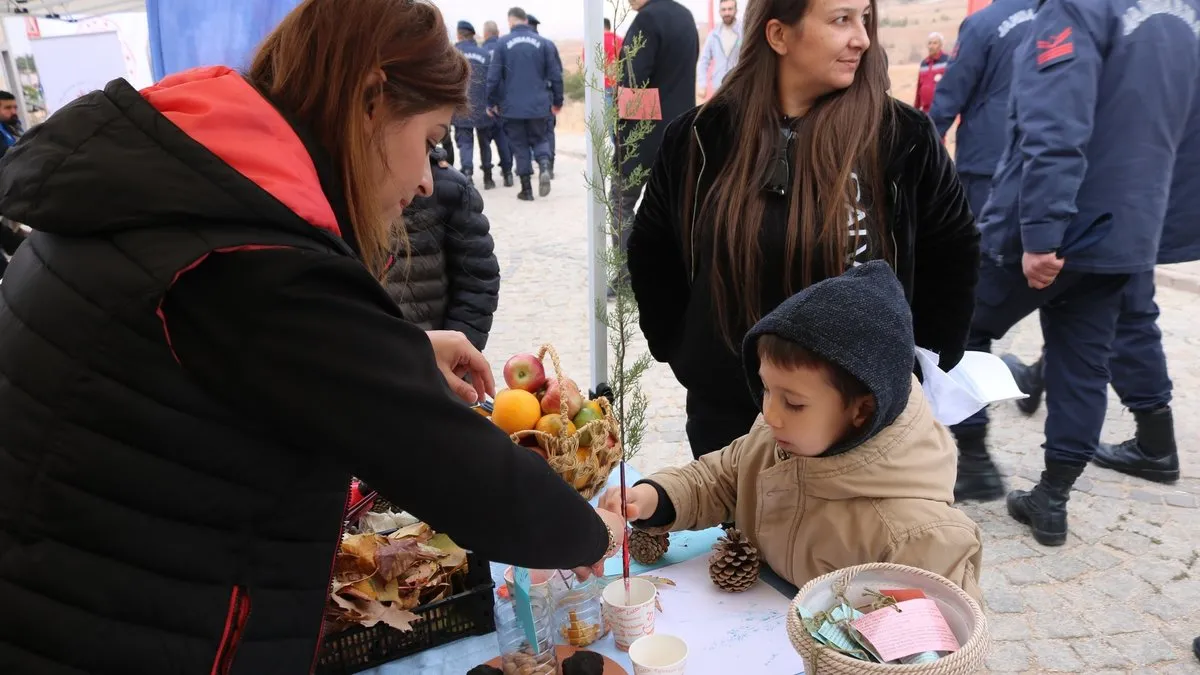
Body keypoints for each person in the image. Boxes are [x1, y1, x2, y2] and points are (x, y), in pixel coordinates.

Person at [0, 1, 624, 672]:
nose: (423, 179)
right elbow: (444, 460)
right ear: (370, 101)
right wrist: (588, 529)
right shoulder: (252, 259)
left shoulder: (188, 192)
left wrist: (401, 351)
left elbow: (240, 356)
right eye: (431, 137)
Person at [627, 0, 979, 460]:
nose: (863, 38)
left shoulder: (900, 137)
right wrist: (685, 351)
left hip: (856, 428)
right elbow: (653, 248)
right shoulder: (700, 137)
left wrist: (908, 371)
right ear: (778, 35)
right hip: (729, 425)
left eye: (865, 20)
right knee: (739, 533)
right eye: (841, 19)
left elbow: (953, 255)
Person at [949, 0, 1199, 547]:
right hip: (1128, 229)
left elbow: (1054, 125)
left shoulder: (1077, 6)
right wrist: (1153, 228)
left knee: (959, 327)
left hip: (1059, 226)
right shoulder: (1186, 15)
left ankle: (972, 462)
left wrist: (1040, 234)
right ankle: (1052, 500)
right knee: (1082, 360)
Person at [601, 263, 984, 601]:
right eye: (766, 389)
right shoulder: (774, 440)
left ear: (862, 409)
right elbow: (718, 479)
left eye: (794, 402)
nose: (770, 413)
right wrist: (652, 498)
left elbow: (936, 647)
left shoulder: (916, 535)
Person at [1000, 71, 1200, 486]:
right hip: (1150, 193)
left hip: (1131, 196)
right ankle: (1045, 377)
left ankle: (1154, 443)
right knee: (1111, 307)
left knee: (1124, 310)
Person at [612, 0, 699, 283]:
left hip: (645, 133)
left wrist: (623, 132)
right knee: (677, 206)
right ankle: (680, 270)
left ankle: (629, 274)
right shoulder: (685, 17)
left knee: (621, 200)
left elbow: (633, 82)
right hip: (684, 130)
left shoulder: (647, 20)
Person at [928, 0, 1035, 217]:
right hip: (1042, 157)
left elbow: (952, 92)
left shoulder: (981, 24)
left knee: (982, 243)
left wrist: (920, 146)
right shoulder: (1057, 19)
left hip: (987, 161)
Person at [386, 147, 500, 350]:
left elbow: (477, 278)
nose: (425, 185)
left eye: (431, 140)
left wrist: (457, 350)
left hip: (432, 364)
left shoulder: (447, 187)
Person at [487, 7, 562, 201]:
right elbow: (556, 75)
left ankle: (526, 190)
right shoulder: (544, 43)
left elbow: (493, 78)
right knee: (540, 138)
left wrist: (491, 102)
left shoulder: (502, 44)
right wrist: (557, 102)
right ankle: (545, 165)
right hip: (539, 105)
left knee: (519, 146)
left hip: (512, 107)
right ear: (526, 21)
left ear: (510, 21)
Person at [453, 21, 496, 188]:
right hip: (483, 106)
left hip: (462, 107)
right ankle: (488, 177)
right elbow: (491, 80)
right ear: (472, 35)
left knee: (465, 143)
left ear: (459, 35)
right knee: (485, 142)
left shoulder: (454, 54)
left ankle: (468, 175)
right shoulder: (485, 54)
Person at [481, 20, 515, 188]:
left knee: (484, 142)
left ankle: (488, 179)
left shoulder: (482, 53)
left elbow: (486, 81)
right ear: (498, 32)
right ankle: (508, 174)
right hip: (505, 103)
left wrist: (488, 102)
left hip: (487, 104)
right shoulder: (506, 50)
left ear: (485, 33)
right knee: (503, 140)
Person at [528, 14, 561, 179]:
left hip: (523, 102)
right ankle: (549, 166)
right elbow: (557, 74)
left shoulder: (518, 45)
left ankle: (527, 168)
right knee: (547, 133)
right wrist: (557, 101)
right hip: (545, 99)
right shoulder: (548, 45)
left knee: (523, 133)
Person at [698, 0, 742, 100]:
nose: (727, 13)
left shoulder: (743, 32)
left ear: (736, 10)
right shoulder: (714, 35)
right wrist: (702, 84)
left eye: (730, 9)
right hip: (718, 87)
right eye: (724, 9)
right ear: (719, 12)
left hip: (739, 85)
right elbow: (704, 61)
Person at [914, 32, 949, 114]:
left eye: (935, 43)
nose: (931, 46)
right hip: (926, 111)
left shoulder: (948, 61)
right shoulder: (924, 64)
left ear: (941, 45)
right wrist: (916, 109)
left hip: (942, 111)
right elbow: (919, 88)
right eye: (929, 43)